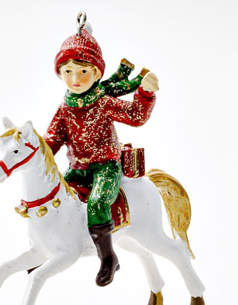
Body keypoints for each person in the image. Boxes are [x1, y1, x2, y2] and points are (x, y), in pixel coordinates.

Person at [44, 19, 159, 287]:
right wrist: (36, 151)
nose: (75, 79)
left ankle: (108, 257)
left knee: (97, 203)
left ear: (96, 73)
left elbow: (136, 116)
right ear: (60, 73)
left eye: (82, 71)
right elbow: (53, 139)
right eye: (68, 71)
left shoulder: (103, 103)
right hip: (77, 169)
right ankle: (48, 246)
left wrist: (145, 93)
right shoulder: (65, 108)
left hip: (106, 167)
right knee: (53, 197)